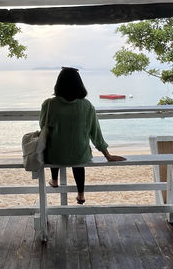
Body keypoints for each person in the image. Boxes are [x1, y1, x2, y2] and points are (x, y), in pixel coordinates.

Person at [40, 67, 125, 204]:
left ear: (58, 83)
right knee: (78, 156)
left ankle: (54, 179)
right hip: (79, 155)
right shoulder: (87, 106)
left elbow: (43, 125)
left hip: (55, 155)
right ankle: (81, 195)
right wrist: (107, 155)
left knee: (54, 143)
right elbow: (95, 132)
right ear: (79, 84)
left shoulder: (49, 104)